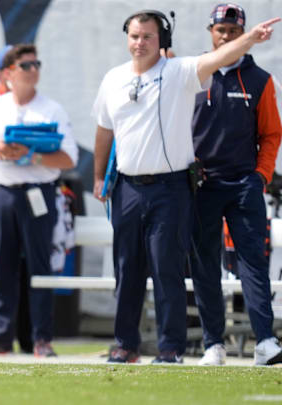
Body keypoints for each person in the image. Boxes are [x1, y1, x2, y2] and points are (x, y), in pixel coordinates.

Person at [92, 10, 279, 364]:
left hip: (186, 185)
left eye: (148, 36)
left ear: (162, 39)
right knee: (132, 267)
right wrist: (99, 175)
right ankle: (137, 344)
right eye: (134, 36)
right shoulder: (114, 78)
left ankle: (177, 347)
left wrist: (252, 38)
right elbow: (104, 128)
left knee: (172, 268)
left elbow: (224, 60)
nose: (140, 43)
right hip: (147, 186)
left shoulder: (180, 72)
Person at [0, 44, 78, 357]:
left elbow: (69, 158)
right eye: (25, 65)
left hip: (38, 193)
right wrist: (0, 149)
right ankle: (2, 338)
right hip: (1, 192)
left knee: (40, 266)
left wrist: (34, 153)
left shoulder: (52, 109)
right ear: (7, 74)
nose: (33, 70)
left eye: (36, 64)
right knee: (3, 265)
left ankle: (41, 339)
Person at [191, 3, 282, 366]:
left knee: (253, 264)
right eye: (221, 30)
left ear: (243, 35)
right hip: (201, 186)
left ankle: (265, 342)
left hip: (244, 184)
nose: (226, 36)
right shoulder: (193, 73)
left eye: (233, 31)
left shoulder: (261, 80)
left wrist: (259, 176)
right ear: (210, 32)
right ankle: (214, 344)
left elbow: (272, 134)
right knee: (205, 264)